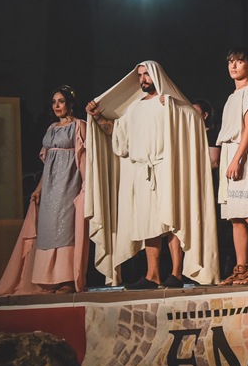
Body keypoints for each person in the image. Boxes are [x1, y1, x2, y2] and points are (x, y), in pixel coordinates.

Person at [85, 61, 219, 287]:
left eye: (146, 74)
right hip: (143, 173)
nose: (143, 79)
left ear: (157, 75)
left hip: (166, 168)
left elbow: (194, 120)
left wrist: (175, 108)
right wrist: (98, 117)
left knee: (173, 220)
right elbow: (117, 133)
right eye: (140, 75)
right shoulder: (135, 108)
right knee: (148, 223)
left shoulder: (171, 104)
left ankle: (176, 274)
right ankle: (152, 274)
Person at [0, 85, 89, 295]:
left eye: (61, 101)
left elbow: (85, 159)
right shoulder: (51, 128)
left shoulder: (79, 126)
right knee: (48, 230)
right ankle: (48, 280)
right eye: (54, 102)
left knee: (65, 230)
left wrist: (87, 186)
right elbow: (47, 165)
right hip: (50, 188)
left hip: (69, 184)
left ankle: (67, 279)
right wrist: (38, 189)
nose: (57, 106)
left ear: (70, 103)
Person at [215, 47, 248, 285]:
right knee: (235, 216)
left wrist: (237, 158)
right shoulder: (232, 97)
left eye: (239, 61)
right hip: (230, 151)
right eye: (230, 62)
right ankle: (241, 267)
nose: (233, 66)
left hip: (245, 152)